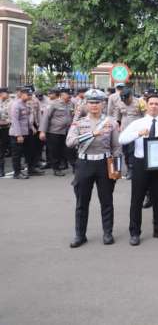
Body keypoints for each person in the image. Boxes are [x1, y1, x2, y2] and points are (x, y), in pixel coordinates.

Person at [65, 89, 122, 248]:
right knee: (82, 202)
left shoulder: (110, 122)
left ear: (103, 104)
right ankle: (80, 235)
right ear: (86, 104)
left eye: (97, 102)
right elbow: (69, 142)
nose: (94, 105)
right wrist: (92, 134)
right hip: (84, 164)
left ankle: (108, 233)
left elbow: (116, 147)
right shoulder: (79, 122)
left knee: (106, 200)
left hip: (104, 164)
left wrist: (116, 170)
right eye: (91, 102)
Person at [119, 93, 158, 246]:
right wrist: (138, 133)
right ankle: (135, 232)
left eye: (157, 104)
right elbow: (121, 139)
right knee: (137, 199)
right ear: (146, 105)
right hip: (141, 163)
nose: (154, 106)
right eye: (151, 103)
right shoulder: (138, 123)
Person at [39, 88, 75, 176]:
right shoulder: (53, 104)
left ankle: (74, 166)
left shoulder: (71, 103)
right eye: (67, 94)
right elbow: (45, 118)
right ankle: (56, 169)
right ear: (62, 95)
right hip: (54, 131)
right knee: (55, 151)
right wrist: (42, 131)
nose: (69, 96)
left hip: (66, 131)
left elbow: (72, 115)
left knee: (69, 149)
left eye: (70, 94)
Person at [9, 87, 41, 179]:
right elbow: (15, 121)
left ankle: (30, 169)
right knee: (17, 154)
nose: (30, 96)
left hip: (26, 132)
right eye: (28, 95)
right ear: (22, 94)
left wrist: (32, 127)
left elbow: (27, 119)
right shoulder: (16, 105)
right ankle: (17, 173)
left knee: (29, 151)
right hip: (17, 134)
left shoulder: (25, 104)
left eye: (30, 95)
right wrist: (19, 135)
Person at [113, 88, 143, 179]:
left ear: (131, 96)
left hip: (137, 131)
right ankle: (128, 167)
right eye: (123, 100)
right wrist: (117, 126)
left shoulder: (139, 102)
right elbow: (117, 117)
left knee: (132, 150)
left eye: (126, 99)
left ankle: (132, 170)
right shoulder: (120, 103)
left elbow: (145, 115)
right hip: (124, 131)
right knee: (125, 151)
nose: (125, 101)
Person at [0, 87, 13, 177]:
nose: (7, 94)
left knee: (2, 149)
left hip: (6, 128)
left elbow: (12, 116)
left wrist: (7, 121)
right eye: (6, 93)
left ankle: (1, 170)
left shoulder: (10, 102)